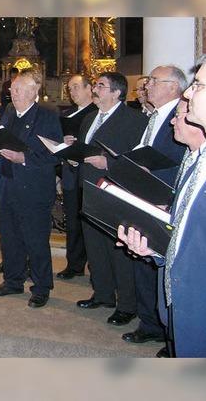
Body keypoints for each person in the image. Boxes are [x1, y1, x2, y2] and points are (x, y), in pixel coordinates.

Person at [118, 52, 206, 357]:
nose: (188, 92)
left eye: (199, 86)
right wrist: (159, 249)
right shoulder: (202, 158)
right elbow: (193, 236)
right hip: (183, 308)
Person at [0, 70, 63, 308]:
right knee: (10, 238)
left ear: (33, 92)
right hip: (7, 185)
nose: (11, 93)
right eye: (12, 89)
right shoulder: (8, 112)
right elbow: (2, 145)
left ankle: (41, 287)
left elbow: (54, 155)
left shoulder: (47, 116)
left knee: (36, 240)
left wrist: (23, 158)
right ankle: (13, 281)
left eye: (17, 89)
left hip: (33, 189)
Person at [120, 65, 187, 346]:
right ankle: (149, 322)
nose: (147, 86)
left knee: (157, 265)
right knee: (142, 260)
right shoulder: (156, 115)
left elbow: (182, 162)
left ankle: (163, 328)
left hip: (163, 198)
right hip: (144, 197)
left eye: (154, 82)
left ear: (173, 86)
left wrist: (150, 173)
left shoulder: (181, 116)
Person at [75, 72, 148, 325]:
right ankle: (103, 293)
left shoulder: (134, 120)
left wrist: (109, 163)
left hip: (115, 192)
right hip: (89, 189)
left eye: (100, 86)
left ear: (117, 93)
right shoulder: (89, 119)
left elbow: (139, 161)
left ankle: (127, 304)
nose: (95, 89)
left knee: (118, 250)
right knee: (94, 246)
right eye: (95, 85)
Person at [56, 74, 97, 280]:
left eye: (76, 87)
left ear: (90, 88)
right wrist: (62, 142)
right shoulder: (68, 114)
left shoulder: (97, 113)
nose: (71, 92)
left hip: (89, 175)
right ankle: (74, 264)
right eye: (70, 88)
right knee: (72, 221)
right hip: (70, 173)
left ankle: (95, 267)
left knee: (89, 224)